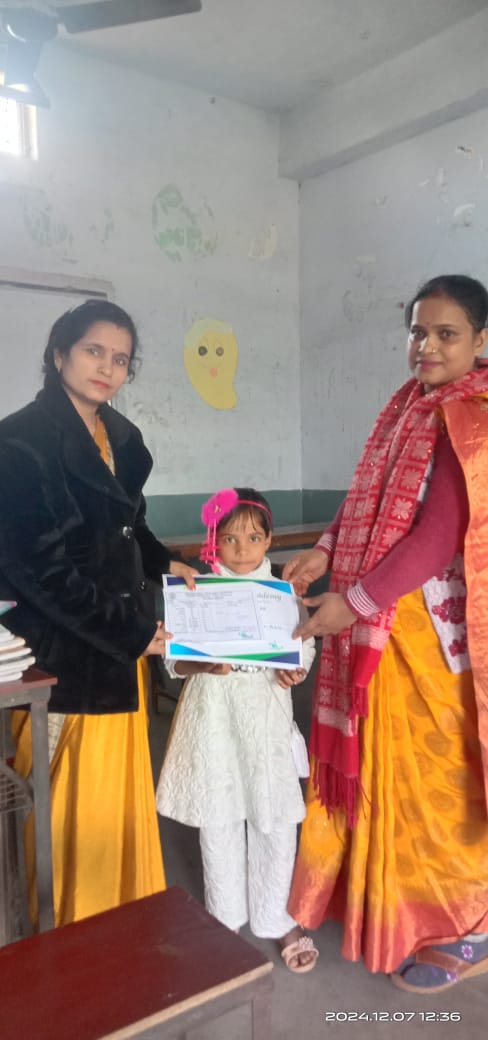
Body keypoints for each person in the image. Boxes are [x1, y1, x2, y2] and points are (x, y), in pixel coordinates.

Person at [283, 274, 488, 992]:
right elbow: (365, 505)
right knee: (383, 779)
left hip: (426, 634)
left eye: (446, 334)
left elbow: (437, 535)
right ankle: (389, 907)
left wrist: (355, 602)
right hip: (382, 627)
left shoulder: (471, 416)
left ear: (481, 340)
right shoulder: (407, 406)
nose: (426, 346)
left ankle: (466, 924)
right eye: (418, 332)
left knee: (434, 783)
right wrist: (325, 551)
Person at [0, 299, 197, 927]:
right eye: (93, 351)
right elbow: (41, 572)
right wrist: (132, 631)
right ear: (59, 353)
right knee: (59, 806)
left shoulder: (121, 437)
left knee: (112, 800)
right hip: (60, 653)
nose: (107, 368)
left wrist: (165, 563)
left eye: (120, 359)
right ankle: (63, 938)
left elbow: (127, 526)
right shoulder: (20, 441)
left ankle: (118, 927)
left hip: (118, 644)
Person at [156, 487, 319, 971]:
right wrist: (202, 665)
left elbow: (302, 645)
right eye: (228, 539)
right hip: (214, 721)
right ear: (213, 543)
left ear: (269, 540)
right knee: (220, 816)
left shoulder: (284, 594)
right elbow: (174, 661)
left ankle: (277, 917)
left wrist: (296, 671)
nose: (242, 549)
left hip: (265, 721)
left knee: (274, 819)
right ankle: (224, 919)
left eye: (252, 537)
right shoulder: (197, 592)